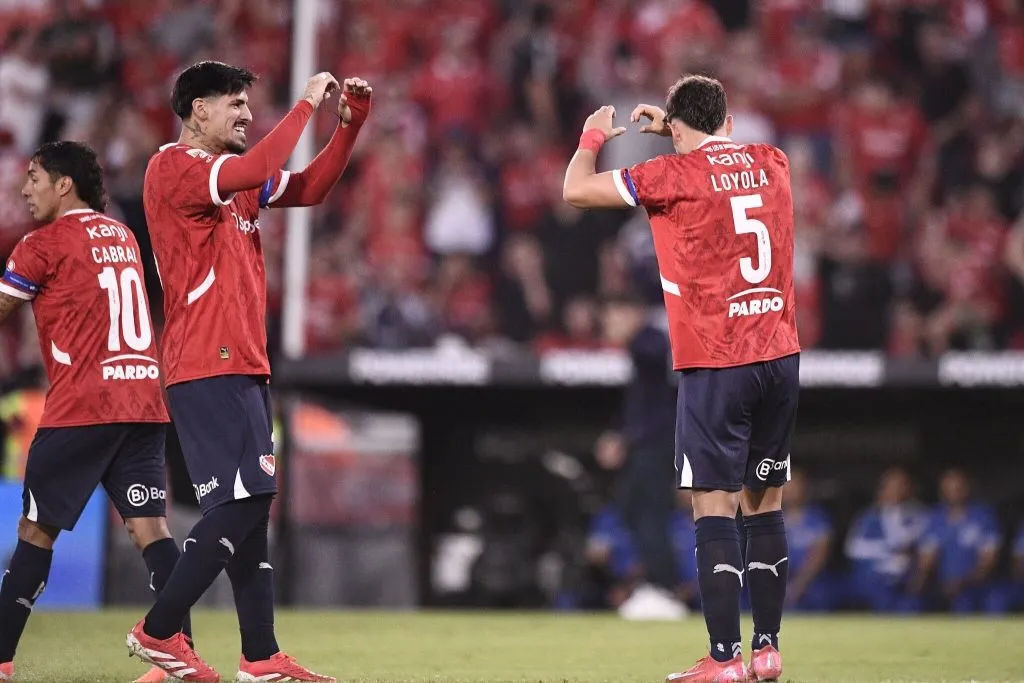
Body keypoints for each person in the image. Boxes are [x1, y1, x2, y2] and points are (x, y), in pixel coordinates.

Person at [125, 61, 371, 683]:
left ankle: (260, 657)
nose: (244, 113)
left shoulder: (231, 182)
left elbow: (309, 188)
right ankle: (158, 631)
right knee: (245, 503)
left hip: (242, 362)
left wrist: (351, 126)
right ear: (196, 111)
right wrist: (307, 107)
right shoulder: (175, 168)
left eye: (247, 104)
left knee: (249, 514)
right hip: (207, 361)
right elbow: (261, 167)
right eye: (233, 103)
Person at [563, 74, 800, 683]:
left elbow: (577, 191)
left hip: (716, 360)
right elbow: (719, 147)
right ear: (727, 118)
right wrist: (681, 123)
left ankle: (723, 660)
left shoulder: (672, 176)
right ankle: (768, 649)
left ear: (676, 127)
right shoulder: (773, 162)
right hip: (779, 354)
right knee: (765, 501)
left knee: (713, 505)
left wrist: (594, 134)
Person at [0, 141, 185, 683]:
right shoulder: (122, 234)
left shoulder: (43, 244)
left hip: (83, 406)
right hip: (144, 400)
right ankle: (178, 657)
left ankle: (0, 658)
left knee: (36, 533)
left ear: (64, 185)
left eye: (34, 177)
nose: (25, 188)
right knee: (151, 530)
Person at [910, 468, 1007, 613]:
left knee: (992, 601)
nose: (955, 492)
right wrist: (919, 581)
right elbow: (927, 560)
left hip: (978, 585)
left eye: (959, 488)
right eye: (949, 489)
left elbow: (988, 562)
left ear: (968, 488)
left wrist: (962, 583)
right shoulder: (935, 518)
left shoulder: (984, 516)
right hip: (942, 584)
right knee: (913, 602)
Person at [844, 467, 927, 613]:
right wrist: (888, 551)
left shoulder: (919, 515)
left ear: (910, 489)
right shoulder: (868, 518)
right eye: (891, 486)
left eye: (901, 485)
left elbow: (912, 542)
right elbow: (853, 548)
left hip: (906, 576)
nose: (896, 490)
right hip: (875, 575)